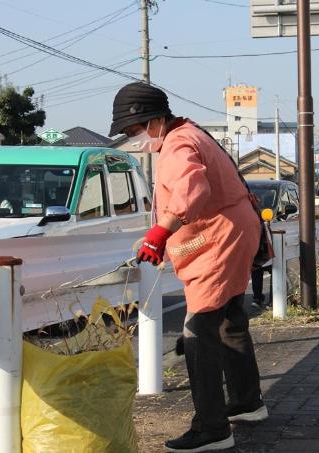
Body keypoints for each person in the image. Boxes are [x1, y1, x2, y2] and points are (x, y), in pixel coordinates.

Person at [109, 82, 267, 452]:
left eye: (134, 131)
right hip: (235, 230)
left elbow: (190, 193)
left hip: (218, 237)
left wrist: (159, 233)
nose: (134, 139)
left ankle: (212, 428)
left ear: (155, 119)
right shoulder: (191, 133)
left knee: (199, 329)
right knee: (229, 317)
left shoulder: (178, 144)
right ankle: (246, 401)